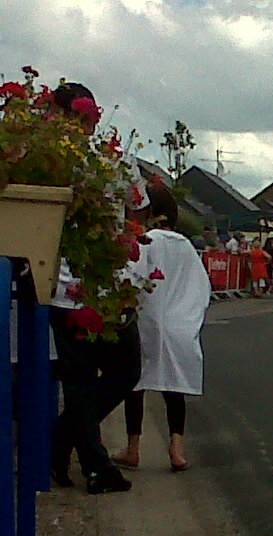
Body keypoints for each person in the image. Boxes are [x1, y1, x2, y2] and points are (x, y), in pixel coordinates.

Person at [50, 82, 141, 494]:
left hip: (71, 284)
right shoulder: (110, 159)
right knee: (118, 370)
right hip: (92, 282)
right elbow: (138, 201)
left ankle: (65, 441)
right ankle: (92, 464)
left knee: (87, 377)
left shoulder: (47, 157)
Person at [113, 186, 211, 472]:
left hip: (147, 319)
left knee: (136, 384)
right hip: (178, 324)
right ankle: (177, 448)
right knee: (174, 388)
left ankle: (133, 448)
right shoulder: (186, 247)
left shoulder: (145, 241)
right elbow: (202, 288)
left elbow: (130, 278)